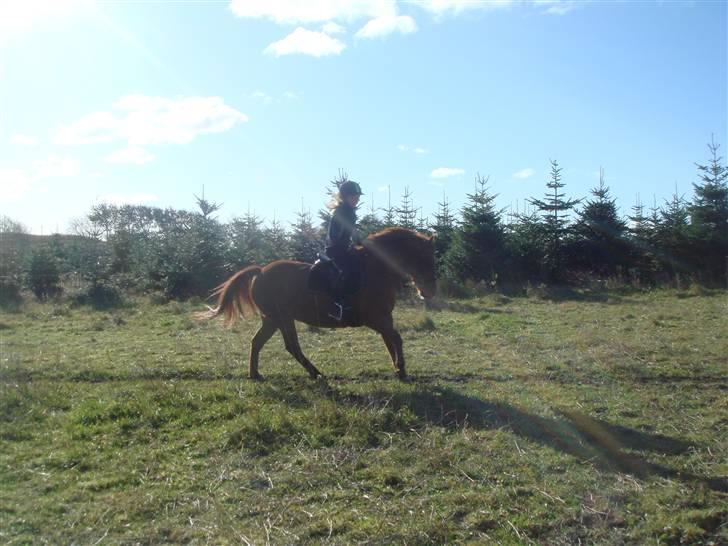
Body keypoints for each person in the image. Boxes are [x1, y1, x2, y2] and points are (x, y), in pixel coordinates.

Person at [325, 180, 364, 321]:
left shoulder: (350, 212)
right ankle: (337, 305)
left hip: (344, 250)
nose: (357, 199)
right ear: (345, 196)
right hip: (335, 250)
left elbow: (353, 234)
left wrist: (360, 245)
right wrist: (349, 246)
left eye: (358, 196)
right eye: (354, 196)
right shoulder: (341, 212)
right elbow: (335, 237)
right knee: (343, 271)